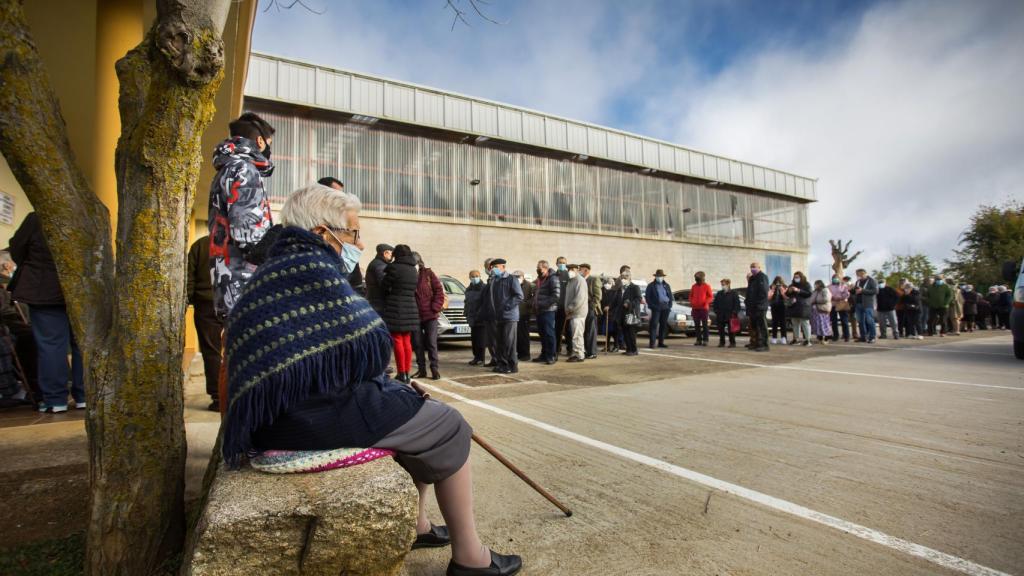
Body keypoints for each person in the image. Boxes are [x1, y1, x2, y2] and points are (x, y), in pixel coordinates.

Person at [222, 183, 522, 576]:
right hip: (302, 419)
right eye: (352, 233)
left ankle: (417, 525)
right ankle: (471, 557)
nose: (358, 243)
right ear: (321, 232)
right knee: (449, 424)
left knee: (413, 408)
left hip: (281, 414)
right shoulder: (311, 270)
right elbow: (369, 345)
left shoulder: (275, 268)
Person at [8, 213, 84, 413]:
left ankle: (55, 399)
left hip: (43, 287)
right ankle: (86, 395)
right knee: (83, 344)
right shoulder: (89, 214)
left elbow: (17, 247)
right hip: (83, 288)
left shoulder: (39, 217)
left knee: (51, 345)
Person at [208, 112, 275, 318]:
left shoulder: (226, 169)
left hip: (227, 279)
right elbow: (248, 236)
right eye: (269, 142)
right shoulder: (245, 170)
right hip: (245, 285)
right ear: (260, 141)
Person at [187, 235, 224, 411]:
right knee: (236, 349)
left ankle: (218, 398)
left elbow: (189, 278)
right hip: (233, 303)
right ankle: (232, 394)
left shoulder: (200, 245)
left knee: (211, 351)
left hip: (206, 305)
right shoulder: (236, 244)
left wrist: (191, 299)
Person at [383, 245, 420, 383]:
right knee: (406, 340)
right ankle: (407, 373)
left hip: (396, 306)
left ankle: (401, 373)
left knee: (397, 339)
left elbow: (384, 286)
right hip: (411, 306)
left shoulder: (394, 267)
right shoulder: (413, 269)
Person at [482, 259, 522, 374]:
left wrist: (506, 306)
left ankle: (512, 365)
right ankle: (503, 364)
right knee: (500, 342)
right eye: (492, 266)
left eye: (496, 266)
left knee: (509, 342)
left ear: (503, 267)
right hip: (498, 317)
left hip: (509, 316)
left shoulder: (511, 279)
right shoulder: (495, 280)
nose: (493, 268)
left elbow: (519, 296)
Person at [413, 252, 444, 381]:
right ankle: (421, 370)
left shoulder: (428, 274)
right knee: (418, 344)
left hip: (430, 315)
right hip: (414, 316)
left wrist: (435, 307)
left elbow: (439, 291)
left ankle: (434, 369)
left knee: (431, 343)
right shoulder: (408, 275)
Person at [532, 260, 560, 365]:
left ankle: (551, 355)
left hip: (548, 310)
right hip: (539, 311)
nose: (537, 270)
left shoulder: (552, 278)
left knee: (549, 334)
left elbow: (556, 296)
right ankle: (544, 354)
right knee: (542, 334)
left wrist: (543, 304)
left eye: (539, 268)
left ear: (545, 268)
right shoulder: (540, 279)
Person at [612, 270, 642, 356]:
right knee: (625, 332)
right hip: (622, 314)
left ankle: (634, 350)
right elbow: (616, 300)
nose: (623, 279)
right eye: (622, 277)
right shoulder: (620, 288)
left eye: (625, 277)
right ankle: (629, 349)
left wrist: (629, 304)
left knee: (631, 333)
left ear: (629, 278)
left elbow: (638, 299)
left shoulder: (635, 287)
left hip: (631, 314)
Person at [564, 264, 588, 362]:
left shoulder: (580, 280)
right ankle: (577, 352)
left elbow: (579, 298)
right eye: (569, 269)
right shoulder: (571, 281)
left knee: (577, 334)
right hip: (572, 312)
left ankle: (579, 355)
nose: (570, 271)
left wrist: (570, 308)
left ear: (576, 270)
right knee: (575, 334)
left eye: (572, 269)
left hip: (577, 312)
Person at [645, 269, 675, 348]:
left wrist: (669, 305)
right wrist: (652, 306)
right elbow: (647, 297)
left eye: (661, 276)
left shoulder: (666, 285)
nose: (659, 278)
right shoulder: (651, 286)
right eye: (658, 276)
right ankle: (652, 343)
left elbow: (670, 296)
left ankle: (661, 342)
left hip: (666, 307)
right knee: (654, 325)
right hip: (656, 307)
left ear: (663, 277)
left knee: (663, 325)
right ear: (655, 276)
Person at [746, 262, 770, 351]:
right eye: (751, 267)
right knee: (754, 326)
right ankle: (756, 343)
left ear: (759, 267)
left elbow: (763, 292)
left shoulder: (762, 277)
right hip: (752, 307)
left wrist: (759, 304)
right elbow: (749, 292)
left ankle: (764, 344)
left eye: (754, 267)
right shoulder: (752, 278)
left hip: (759, 306)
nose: (752, 269)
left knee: (762, 326)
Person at [464, 271, 487, 366]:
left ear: (480, 276)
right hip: (472, 318)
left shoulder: (484, 288)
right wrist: (466, 314)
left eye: (477, 276)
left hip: (481, 319)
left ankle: (481, 358)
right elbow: (466, 302)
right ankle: (476, 357)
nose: (474, 278)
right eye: (472, 276)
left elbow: (485, 304)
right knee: (474, 340)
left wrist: (480, 314)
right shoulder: (468, 289)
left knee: (481, 340)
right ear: (469, 277)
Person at [785, 271, 813, 346]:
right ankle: (796, 339)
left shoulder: (806, 284)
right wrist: (789, 291)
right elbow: (787, 294)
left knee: (805, 323)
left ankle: (808, 340)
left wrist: (799, 290)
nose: (796, 278)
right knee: (795, 324)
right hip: (793, 306)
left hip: (803, 307)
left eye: (797, 277)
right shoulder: (791, 285)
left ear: (801, 277)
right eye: (795, 277)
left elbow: (809, 293)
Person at [365, 243, 394, 314]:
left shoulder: (377, 263)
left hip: (374, 300)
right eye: (391, 254)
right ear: (385, 253)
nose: (392, 257)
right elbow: (385, 284)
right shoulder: (380, 265)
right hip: (378, 302)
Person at [581, 264, 602, 359]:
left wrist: (591, 307)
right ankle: (586, 350)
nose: (579, 271)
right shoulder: (581, 280)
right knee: (584, 331)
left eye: (581, 270)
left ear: (587, 271)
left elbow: (598, 295)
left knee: (591, 331)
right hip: (581, 308)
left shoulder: (594, 279)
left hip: (590, 309)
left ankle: (592, 352)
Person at [712, 278, 740, 348]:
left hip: (730, 314)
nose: (722, 286)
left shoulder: (734, 293)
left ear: (728, 284)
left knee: (731, 330)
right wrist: (716, 311)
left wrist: (734, 312)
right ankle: (722, 342)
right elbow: (715, 304)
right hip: (721, 314)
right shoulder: (719, 293)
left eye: (724, 284)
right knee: (721, 330)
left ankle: (732, 343)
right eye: (722, 285)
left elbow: (737, 304)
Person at [688, 271, 713, 347]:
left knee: (705, 325)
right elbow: (690, 296)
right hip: (695, 308)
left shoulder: (707, 286)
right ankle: (698, 339)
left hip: (704, 308)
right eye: (696, 279)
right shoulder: (694, 286)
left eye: (698, 279)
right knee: (697, 325)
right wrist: (692, 302)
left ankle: (705, 340)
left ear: (702, 278)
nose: (697, 280)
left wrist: (706, 302)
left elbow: (710, 296)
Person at [853, 269, 878, 343]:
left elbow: (875, 291)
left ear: (865, 273)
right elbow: (855, 291)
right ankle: (863, 336)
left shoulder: (871, 281)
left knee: (869, 320)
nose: (859, 276)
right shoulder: (858, 282)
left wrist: (863, 290)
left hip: (867, 304)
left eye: (860, 274)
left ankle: (872, 337)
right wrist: (851, 289)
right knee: (860, 321)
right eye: (858, 274)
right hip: (858, 303)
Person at [514, 270, 533, 362]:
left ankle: (525, 354)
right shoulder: (513, 285)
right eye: (515, 277)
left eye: (519, 276)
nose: (517, 278)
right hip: (515, 314)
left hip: (525, 314)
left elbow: (533, 298)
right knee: (517, 335)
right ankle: (519, 353)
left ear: (523, 276)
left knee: (524, 335)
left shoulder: (529, 285)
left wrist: (525, 304)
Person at [553, 256, 571, 356]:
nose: (561, 264)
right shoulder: (553, 275)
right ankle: (556, 348)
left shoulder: (568, 276)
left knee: (568, 330)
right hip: (556, 307)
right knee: (557, 329)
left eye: (564, 262)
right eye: (560, 262)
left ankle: (570, 349)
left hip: (566, 308)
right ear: (556, 263)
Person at [828, 275, 851, 342]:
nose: (835, 279)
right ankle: (836, 336)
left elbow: (847, 294)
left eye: (837, 278)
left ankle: (846, 336)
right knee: (834, 321)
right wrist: (832, 297)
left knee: (844, 321)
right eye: (834, 278)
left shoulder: (843, 286)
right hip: (833, 304)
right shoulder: (829, 287)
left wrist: (841, 297)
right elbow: (827, 294)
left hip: (842, 304)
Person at [810, 280, 833, 344]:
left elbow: (826, 299)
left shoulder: (825, 290)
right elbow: (811, 299)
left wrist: (816, 301)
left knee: (824, 324)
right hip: (816, 310)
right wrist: (812, 302)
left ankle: (826, 338)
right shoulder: (815, 291)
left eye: (817, 284)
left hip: (823, 309)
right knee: (817, 324)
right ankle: (819, 337)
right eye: (815, 284)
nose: (816, 286)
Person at [768, 276, 789, 345]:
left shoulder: (785, 287)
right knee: (774, 322)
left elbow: (786, 297)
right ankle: (774, 337)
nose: (778, 284)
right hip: (774, 306)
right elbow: (769, 297)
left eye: (779, 282)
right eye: (776, 282)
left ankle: (784, 337)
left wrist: (782, 291)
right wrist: (773, 290)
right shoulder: (771, 287)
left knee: (783, 322)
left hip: (782, 306)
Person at [601, 276, 619, 352]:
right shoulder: (603, 290)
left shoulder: (615, 291)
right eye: (606, 283)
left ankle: (616, 346)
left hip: (613, 314)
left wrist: (609, 307)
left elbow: (617, 302)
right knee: (607, 331)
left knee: (614, 331)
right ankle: (607, 346)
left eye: (609, 283)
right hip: (606, 313)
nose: (607, 284)